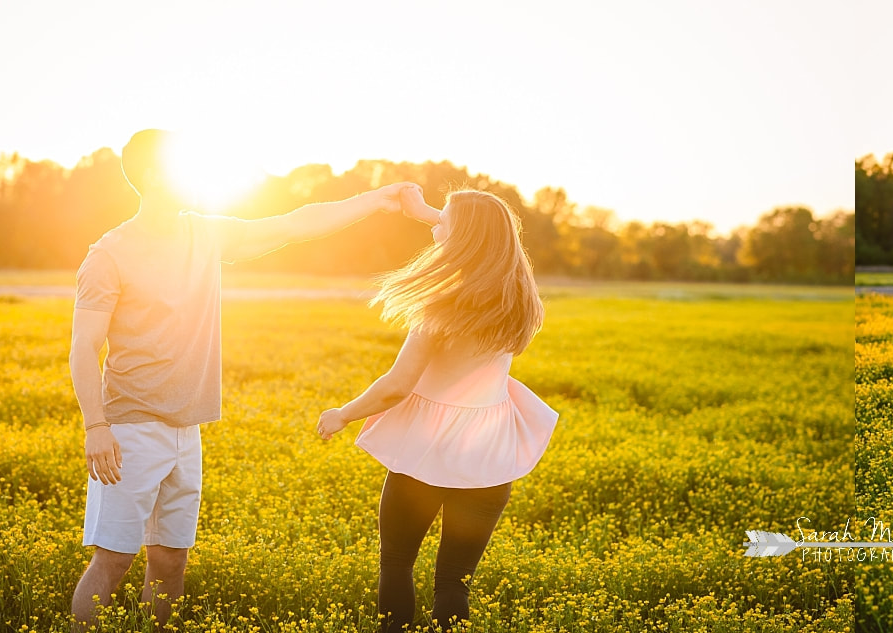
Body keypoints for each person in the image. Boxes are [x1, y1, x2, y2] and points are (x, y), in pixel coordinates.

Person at [70, 129, 424, 631]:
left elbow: (294, 224)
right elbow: (84, 346)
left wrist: (378, 199)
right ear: (152, 175)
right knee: (113, 562)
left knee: (170, 563)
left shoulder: (205, 233)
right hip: (129, 430)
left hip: (186, 431)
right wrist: (95, 426)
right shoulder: (108, 255)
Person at [314, 189, 560, 633]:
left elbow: (396, 387)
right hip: (489, 456)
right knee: (453, 583)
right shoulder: (518, 302)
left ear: (462, 235)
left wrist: (342, 413)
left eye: (443, 220)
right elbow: (482, 231)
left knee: (397, 564)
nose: (435, 225)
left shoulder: (442, 305)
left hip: (425, 450)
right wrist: (429, 211)